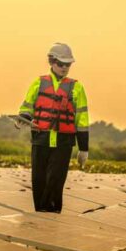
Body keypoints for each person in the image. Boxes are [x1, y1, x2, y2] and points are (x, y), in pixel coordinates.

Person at [16, 43, 90, 213]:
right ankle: (40, 215)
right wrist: (23, 119)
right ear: (52, 61)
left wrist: (83, 148)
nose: (64, 68)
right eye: (61, 64)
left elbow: (82, 120)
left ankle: (53, 214)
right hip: (40, 139)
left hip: (63, 143)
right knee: (39, 179)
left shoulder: (77, 88)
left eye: (68, 64)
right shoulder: (38, 83)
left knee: (55, 180)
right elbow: (27, 108)